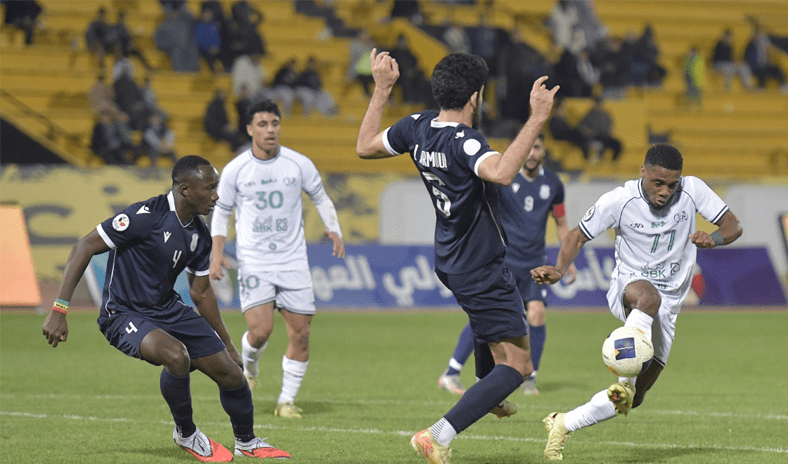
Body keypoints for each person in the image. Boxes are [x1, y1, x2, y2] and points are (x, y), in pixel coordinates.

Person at [356, 50, 558, 463]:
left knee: (491, 339)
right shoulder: (465, 140)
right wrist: (536, 118)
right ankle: (438, 435)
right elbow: (501, 173)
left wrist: (381, 90)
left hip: (450, 257)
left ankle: (490, 392)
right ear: (475, 97)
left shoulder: (417, 126)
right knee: (518, 365)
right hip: (480, 263)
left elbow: (364, 147)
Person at [42, 155, 290, 462]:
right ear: (185, 189)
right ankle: (186, 433)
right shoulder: (147, 215)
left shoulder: (199, 232)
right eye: (209, 188)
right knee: (176, 355)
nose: (216, 196)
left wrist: (228, 345)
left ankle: (247, 442)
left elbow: (201, 294)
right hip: (123, 314)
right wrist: (59, 308)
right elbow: (84, 246)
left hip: (168, 310)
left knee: (231, 375)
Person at [531, 144, 743, 461]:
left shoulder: (693, 189)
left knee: (632, 399)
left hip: (668, 306)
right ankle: (625, 377)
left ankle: (562, 423)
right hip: (629, 288)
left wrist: (714, 238)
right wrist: (560, 269)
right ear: (643, 172)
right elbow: (577, 236)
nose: (665, 191)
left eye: (672, 184)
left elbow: (733, 226)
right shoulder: (620, 200)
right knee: (647, 297)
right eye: (658, 182)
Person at [210, 99, 345, 420]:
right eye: (262, 124)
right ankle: (250, 368)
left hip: (293, 262)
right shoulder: (236, 169)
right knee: (260, 332)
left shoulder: (298, 164)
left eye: (274, 123)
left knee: (301, 333)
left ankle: (286, 400)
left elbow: (321, 196)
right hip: (255, 262)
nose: (270, 130)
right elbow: (221, 211)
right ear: (249, 129)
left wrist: (334, 229)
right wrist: (216, 252)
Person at [438, 133, 577, 397]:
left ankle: (529, 377)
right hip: (502, 261)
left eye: (537, 147)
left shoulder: (554, 184)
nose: (532, 153)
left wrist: (566, 259)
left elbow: (561, 222)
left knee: (536, 313)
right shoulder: (503, 178)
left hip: (535, 264)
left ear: (543, 150)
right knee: (485, 317)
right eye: (529, 148)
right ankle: (452, 372)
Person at [577, 96, 622, 163]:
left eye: (599, 103)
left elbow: (610, 126)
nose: (598, 105)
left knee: (617, 144)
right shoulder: (589, 115)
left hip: (605, 137)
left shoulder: (606, 115)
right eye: (597, 103)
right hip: (594, 136)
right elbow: (582, 127)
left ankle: (613, 163)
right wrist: (589, 133)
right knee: (595, 146)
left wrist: (609, 133)